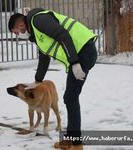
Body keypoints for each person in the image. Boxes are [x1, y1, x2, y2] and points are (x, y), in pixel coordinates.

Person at [8, 8, 97, 150]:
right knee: (70, 97)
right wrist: (37, 80)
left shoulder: (38, 20)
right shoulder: (36, 33)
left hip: (83, 51)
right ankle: (70, 140)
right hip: (79, 53)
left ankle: (76, 144)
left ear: (21, 26)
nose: (19, 35)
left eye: (17, 32)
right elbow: (44, 56)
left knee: (71, 98)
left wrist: (74, 62)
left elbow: (63, 35)